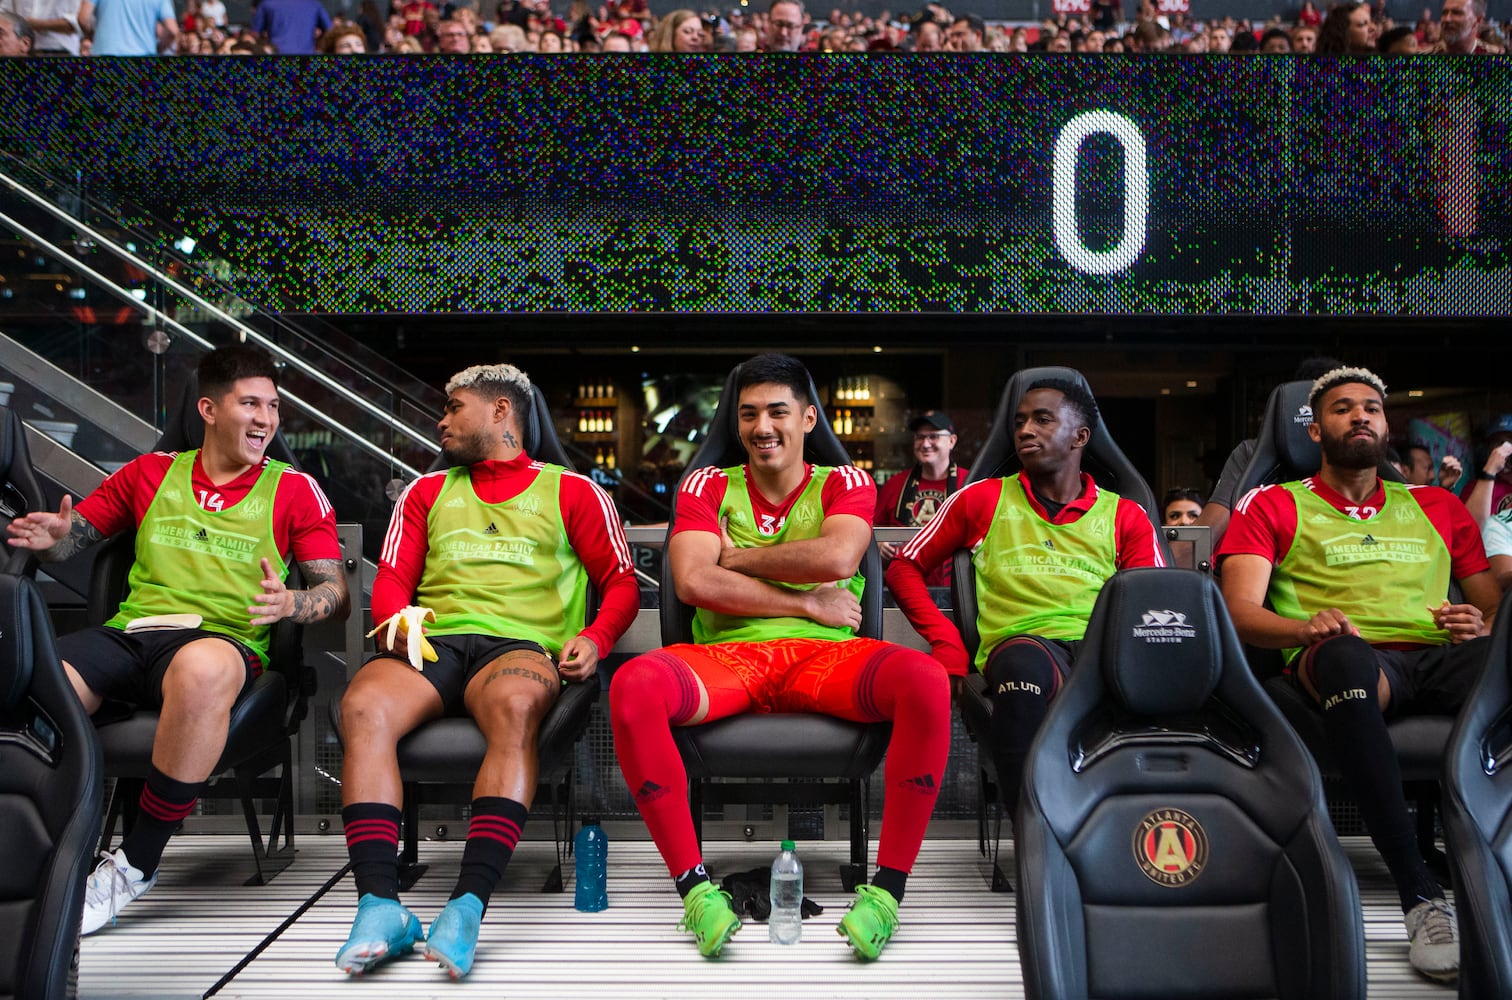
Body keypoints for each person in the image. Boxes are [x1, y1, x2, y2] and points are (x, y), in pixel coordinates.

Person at [610, 353, 950, 962]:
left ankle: (887, 895)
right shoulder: (705, 484)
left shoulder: (847, 483)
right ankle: (695, 892)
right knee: (634, 684)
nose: (762, 426)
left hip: (826, 662)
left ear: (809, 418)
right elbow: (691, 581)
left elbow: (838, 560)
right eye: (748, 414)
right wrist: (808, 605)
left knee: (925, 679)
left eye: (777, 411)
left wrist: (732, 559)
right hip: (729, 659)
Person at [6, 345, 349, 934]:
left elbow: (333, 589)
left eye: (272, 406)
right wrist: (54, 537)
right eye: (250, 403)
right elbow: (71, 542)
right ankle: (42, 854)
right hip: (132, 635)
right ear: (209, 409)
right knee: (34, 678)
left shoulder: (294, 489)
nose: (266, 419)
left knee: (202, 672)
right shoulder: (149, 473)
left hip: (221, 641)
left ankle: (135, 865)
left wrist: (293, 603)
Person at [334, 363, 637, 978]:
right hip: (436, 641)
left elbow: (621, 584)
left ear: (502, 411)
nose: (441, 420)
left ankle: (467, 904)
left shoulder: (574, 492)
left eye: (454, 407)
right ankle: (378, 904)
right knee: (363, 705)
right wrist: (397, 620)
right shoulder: (426, 492)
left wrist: (595, 637)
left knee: (518, 705)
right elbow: (391, 578)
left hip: (520, 647)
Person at [1218, 366, 1499, 985]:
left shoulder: (1436, 505)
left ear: (1387, 425)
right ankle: (1421, 896)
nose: (1361, 417)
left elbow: (1488, 599)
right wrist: (1301, 630)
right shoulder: (1274, 503)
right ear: (1316, 429)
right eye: (1344, 409)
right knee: (1345, 654)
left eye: (1372, 408)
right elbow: (1237, 612)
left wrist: (1477, 621)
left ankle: (1497, 868)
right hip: (1346, 663)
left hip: (1438, 656)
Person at [886, 377, 1164, 814]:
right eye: (1019, 422)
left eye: (1042, 419)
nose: (1024, 430)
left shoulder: (1125, 514)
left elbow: (1152, 600)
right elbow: (903, 566)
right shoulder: (980, 499)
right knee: (1021, 667)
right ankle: (1034, 842)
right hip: (1025, 646)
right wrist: (946, 641)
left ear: (1080, 435)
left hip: (1100, 649)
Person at [1196, 356, 1342, 550]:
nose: (1358, 418)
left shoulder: (1367, 462)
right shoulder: (1252, 456)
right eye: (1342, 408)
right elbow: (1204, 537)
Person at [875, 410, 967, 587]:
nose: (925, 444)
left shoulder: (969, 483)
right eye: (919, 437)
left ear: (952, 441)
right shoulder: (895, 485)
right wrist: (879, 544)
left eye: (933, 437)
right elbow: (872, 529)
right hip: (902, 588)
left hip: (957, 589)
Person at [1460, 414, 1512, 525]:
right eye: (1499, 443)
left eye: (1510, 441)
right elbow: (1471, 532)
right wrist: (1490, 470)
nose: (1505, 448)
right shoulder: (1476, 488)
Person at [86, 0, 177, 54]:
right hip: (143, 59)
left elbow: (83, 18)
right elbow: (172, 30)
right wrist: (158, 48)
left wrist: (94, 37)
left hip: (105, 55)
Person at [251, 0, 331, 53]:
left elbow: (255, 34)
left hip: (277, 56)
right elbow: (330, 31)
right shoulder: (313, 3)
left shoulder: (267, 3)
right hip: (305, 57)